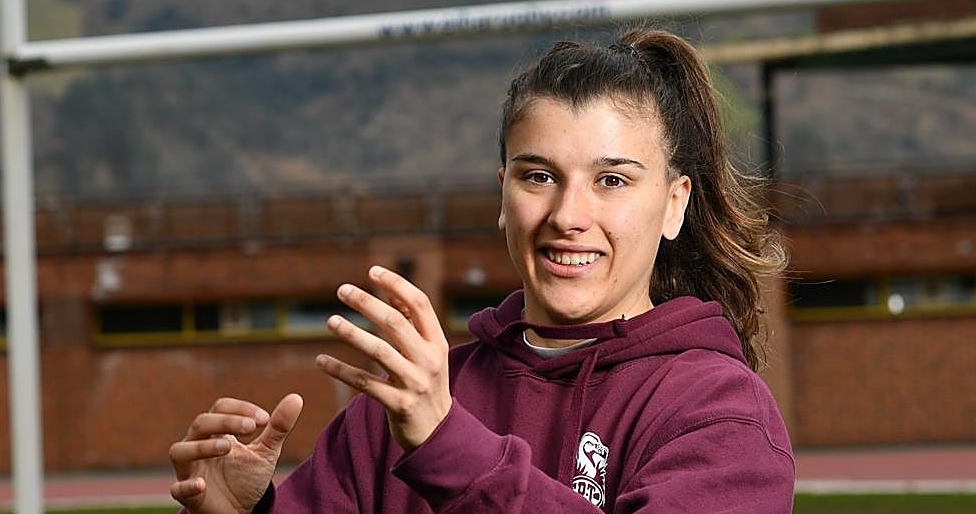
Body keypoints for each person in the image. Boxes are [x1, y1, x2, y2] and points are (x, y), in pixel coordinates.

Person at [169, 28, 795, 513]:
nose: (568, 215)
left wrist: (449, 448)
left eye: (611, 180)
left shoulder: (719, 410)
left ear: (674, 204)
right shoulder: (409, 401)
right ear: (503, 196)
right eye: (539, 176)